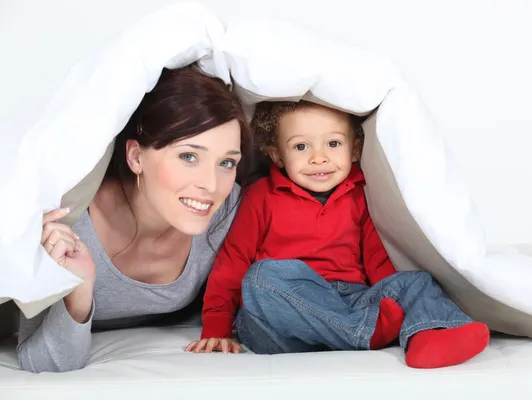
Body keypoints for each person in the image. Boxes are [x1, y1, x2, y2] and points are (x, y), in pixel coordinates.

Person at [187, 100, 490, 369]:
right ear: (277, 155)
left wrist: (392, 293)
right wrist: (216, 328)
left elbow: (376, 258)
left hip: (349, 298)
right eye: (301, 147)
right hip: (280, 320)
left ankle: (432, 335)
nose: (319, 158)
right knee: (261, 277)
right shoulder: (261, 196)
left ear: (355, 149)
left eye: (333, 144)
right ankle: (364, 332)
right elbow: (233, 262)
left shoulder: (361, 194)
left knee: (415, 281)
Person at [17, 65, 253, 373]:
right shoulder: (70, 223)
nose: (211, 184)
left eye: (226, 162)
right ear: (136, 157)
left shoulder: (228, 210)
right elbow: (41, 363)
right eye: (189, 156)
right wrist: (80, 290)